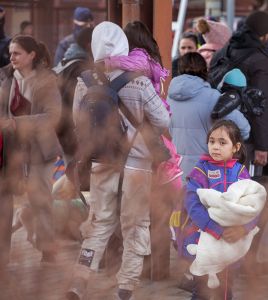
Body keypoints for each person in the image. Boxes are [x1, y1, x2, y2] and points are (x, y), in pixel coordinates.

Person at [66, 21, 170, 300]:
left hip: (102, 160)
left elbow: (79, 122)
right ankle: (125, 288)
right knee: (135, 225)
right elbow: (162, 119)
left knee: (99, 223)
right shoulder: (138, 80)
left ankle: (78, 284)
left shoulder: (85, 80)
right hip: (138, 163)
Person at [0, 35, 62, 267]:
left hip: (40, 149)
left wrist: (18, 123)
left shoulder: (46, 80)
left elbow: (53, 115)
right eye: (10, 52)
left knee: (41, 201)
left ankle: (48, 250)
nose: (11, 57)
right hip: (9, 150)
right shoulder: (4, 76)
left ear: (31, 55)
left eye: (17, 53)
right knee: (4, 201)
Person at [183, 119, 259, 300]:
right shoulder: (200, 171)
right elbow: (193, 204)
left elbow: (253, 206)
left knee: (225, 292)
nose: (215, 147)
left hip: (231, 246)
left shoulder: (242, 173)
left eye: (222, 142)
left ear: (236, 147)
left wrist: (243, 229)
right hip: (204, 243)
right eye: (212, 141)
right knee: (201, 291)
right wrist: (214, 228)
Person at [167, 52, 250, 184]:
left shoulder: (169, 98)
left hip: (175, 170)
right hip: (206, 172)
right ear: (205, 70)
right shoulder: (213, 97)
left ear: (180, 69)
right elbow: (244, 129)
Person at [209, 10, 268, 175]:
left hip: (216, 130)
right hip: (245, 137)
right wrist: (263, 146)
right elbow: (259, 106)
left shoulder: (225, 51)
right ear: (264, 35)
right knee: (244, 189)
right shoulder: (260, 60)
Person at [54, 27, 94, 162]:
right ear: (89, 45)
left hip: (62, 133)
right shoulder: (80, 68)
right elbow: (75, 107)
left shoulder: (66, 61)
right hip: (72, 137)